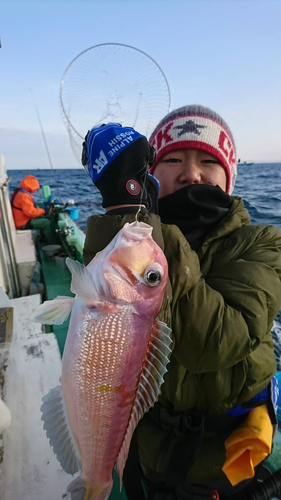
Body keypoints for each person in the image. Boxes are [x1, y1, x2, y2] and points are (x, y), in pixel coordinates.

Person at [81, 108, 281, 500]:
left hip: (220, 458)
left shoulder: (263, 244)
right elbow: (97, 303)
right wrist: (125, 214)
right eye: (172, 159)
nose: (191, 174)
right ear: (148, 176)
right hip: (144, 443)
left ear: (230, 175)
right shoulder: (129, 236)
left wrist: (147, 229)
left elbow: (219, 342)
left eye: (209, 161)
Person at [11, 174, 53, 244]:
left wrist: (41, 211)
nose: (36, 190)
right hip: (23, 223)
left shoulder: (18, 192)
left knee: (45, 217)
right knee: (46, 223)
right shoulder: (24, 196)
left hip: (21, 219)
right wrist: (43, 210)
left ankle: (43, 239)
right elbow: (31, 213)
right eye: (35, 188)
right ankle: (51, 243)